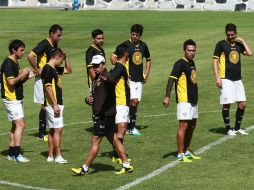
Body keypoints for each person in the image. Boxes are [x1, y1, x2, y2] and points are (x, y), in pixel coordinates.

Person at [71, 54, 133, 175]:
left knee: (95, 141)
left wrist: (106, 78)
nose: (94, 68)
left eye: (97, 65)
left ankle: (84, 168)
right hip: (103, 115)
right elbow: (95, 96)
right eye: (93, 66)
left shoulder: (106, 76)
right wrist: (88, 100)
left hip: (105, 116)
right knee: (114, 139)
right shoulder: (96, 79)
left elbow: (111, 81)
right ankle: (127, 165)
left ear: (103, 65)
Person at [163, 39, 201, 162]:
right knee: (183, 126)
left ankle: (186, 150)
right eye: (189, 50)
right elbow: (171, 79)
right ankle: (180, 153)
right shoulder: (180, 63)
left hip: (193, 99)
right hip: (184, 99)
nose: (192, 53)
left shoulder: (191, 62)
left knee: (192, 125)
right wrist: (167, 96)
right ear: (184, 50)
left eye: (193, 50)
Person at [110, 24, 151, 136]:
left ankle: (129, 125)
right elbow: (113, 57)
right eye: (133, 34)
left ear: (140, 35)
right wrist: (120, 69)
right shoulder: (125, 45)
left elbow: (148, 59)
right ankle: (130, 127)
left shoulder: (143, 45)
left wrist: (147, 73)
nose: (134, 37)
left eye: (137, 35)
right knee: (133, 101)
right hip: (129, 79)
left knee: (136, 102)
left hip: (139, 79)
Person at [212, 23, 252, 136]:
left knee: (242, 104)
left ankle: (237, 128)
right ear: (226, 33)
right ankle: (228, 129)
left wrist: (243, 41)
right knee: (227, 103)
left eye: (232, 35)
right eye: (228, 34)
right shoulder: (221, 44)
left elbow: (249, 53)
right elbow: (215, 61)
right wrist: (217, 77)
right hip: (225, 79)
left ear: (235, 33)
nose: (230, 37)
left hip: (238, 79)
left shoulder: (239, 44)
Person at [27, 24, 63, 141]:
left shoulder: (54, 44)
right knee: (44, 104)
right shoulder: (45, 43)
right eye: (58, 35)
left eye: (60, 36)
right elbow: (30, 56)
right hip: (42, 78)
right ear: (51, 34)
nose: (59, 38)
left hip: (50, 77)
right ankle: (42, 134)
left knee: (48, 103)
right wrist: (37, 69)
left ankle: (48, 130)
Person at [0, 39, 33, 163]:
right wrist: (22, 73)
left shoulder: (14, 62)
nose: (23, 53)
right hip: (11, 98)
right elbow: (10, 82)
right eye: (21, 50)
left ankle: (11, 153)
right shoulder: (8, 63)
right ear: (13, 50)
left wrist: (27, 77)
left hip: (15, 97)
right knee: (21, 125)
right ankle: (18, 155)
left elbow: (16, 83)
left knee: (15, 126)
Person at [41, 48, 72, 164]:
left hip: (54, 104)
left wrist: (67, 57)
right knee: (58, 129)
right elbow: (48, 87)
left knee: (53, 130)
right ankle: (58, 156)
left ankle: (50, 155)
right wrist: (55, 104)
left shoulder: (54, 68)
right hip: (54, 104)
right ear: (56, 57)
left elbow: (69, 70)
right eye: (61, 60)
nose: (62, 62)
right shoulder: (48, 69)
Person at [110, 44, 131, 164]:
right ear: (126, 54)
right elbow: (111, 79)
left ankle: (117, 154)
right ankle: (117, 155)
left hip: (120, 102)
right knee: (121, 129)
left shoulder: (116, 66)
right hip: (120, 102)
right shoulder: (120, 67)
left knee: (120, 129)